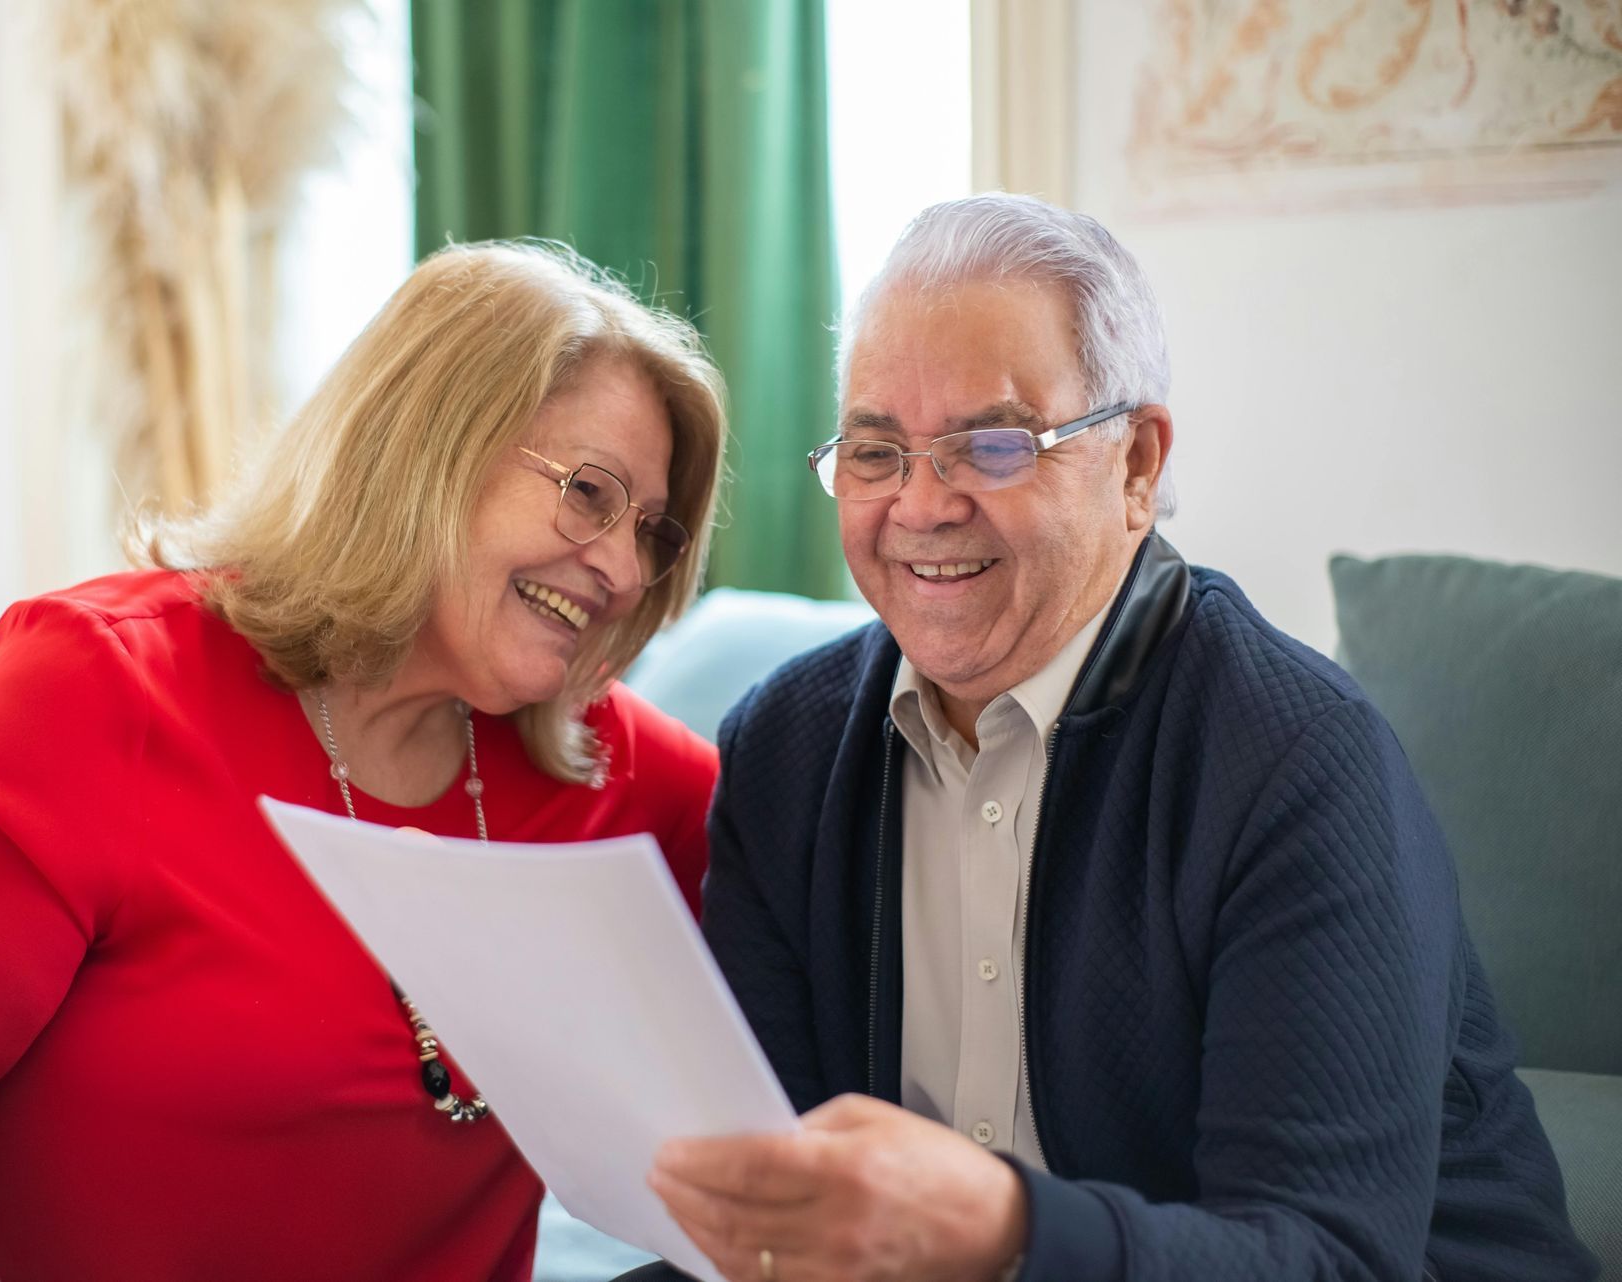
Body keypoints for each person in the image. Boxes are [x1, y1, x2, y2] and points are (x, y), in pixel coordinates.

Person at [0, 241, 728, 1282]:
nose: (621, 566)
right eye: (591, 494)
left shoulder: (622, 781)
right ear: (431, 446)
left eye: (653, 531)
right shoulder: (99, 689)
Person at [639, 196, 1595, 1282]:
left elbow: (1327, 1259)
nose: (921, 504)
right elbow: (775, 1200)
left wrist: (1005, 1227)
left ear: (1136, 464)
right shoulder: (783, 752)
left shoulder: (1300, 764)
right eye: (874, 450)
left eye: (990, 444)